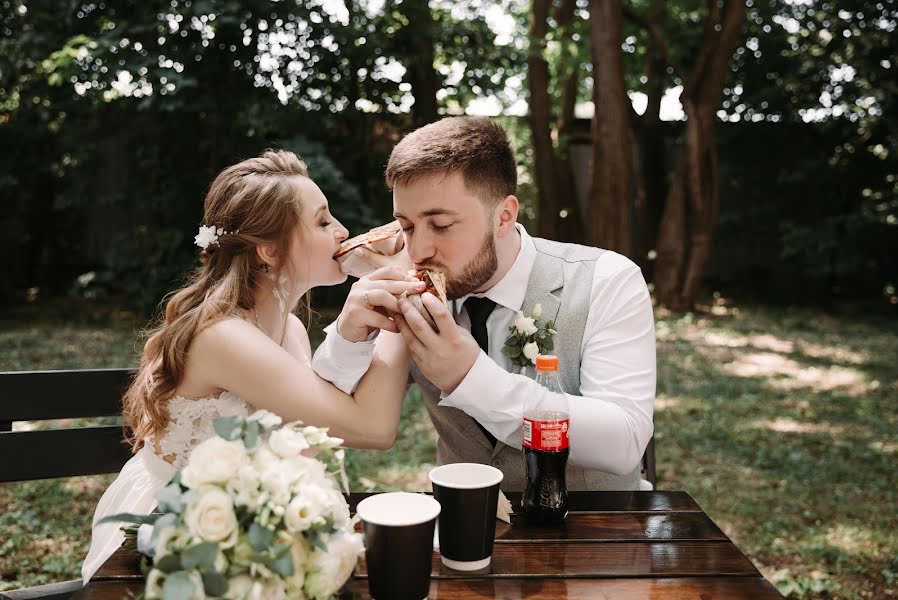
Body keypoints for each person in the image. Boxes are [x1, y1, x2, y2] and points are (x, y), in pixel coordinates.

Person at [81, 150, 425, 582]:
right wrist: (407, 285)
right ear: (269, 250)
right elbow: (372, 428)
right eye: (322, 222)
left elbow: (318, 433)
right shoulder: (223, 337)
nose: (343, 232)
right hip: (183, 535)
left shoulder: (292, 332)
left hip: (256, 521)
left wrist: (371, 309)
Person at [313, 117, 656, 492]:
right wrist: (347, 339)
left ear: (504, 216)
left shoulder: (607, 279)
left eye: (441, 225)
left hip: (598, 529)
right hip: (465, 526)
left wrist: (470, 377)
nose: (419, 250)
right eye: (406, 227)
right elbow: (330, 418)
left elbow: (625, 441)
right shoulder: (411, 291)